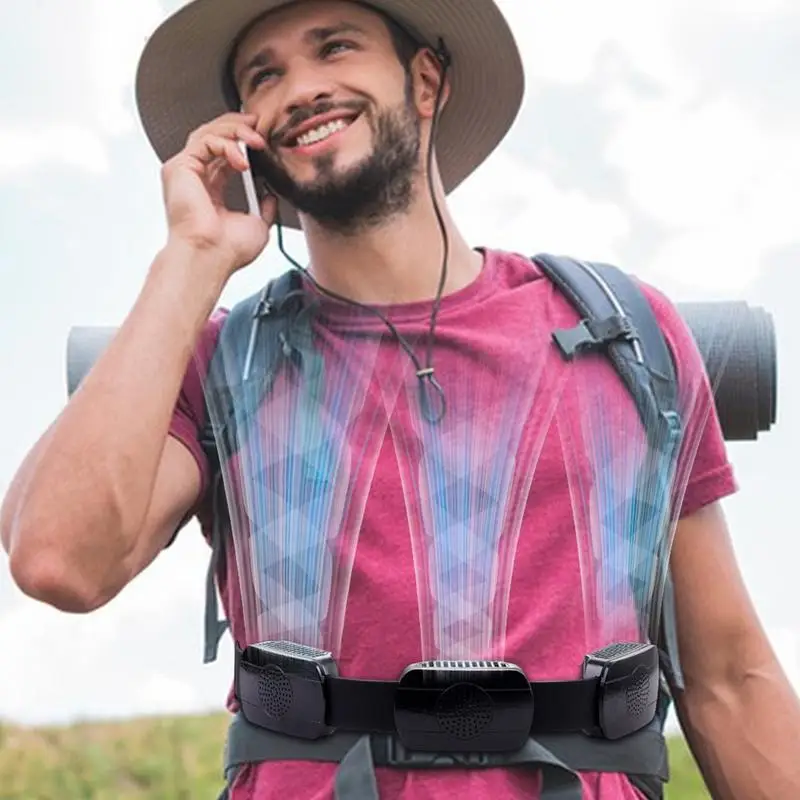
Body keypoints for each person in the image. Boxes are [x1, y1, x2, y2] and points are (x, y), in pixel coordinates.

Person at [3, 0, 800, 798]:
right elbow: (57, 562)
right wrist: (193, 257)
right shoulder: (222, 359)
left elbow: (729, 677)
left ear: (426, 81)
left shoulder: (626, 335)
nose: (301, 88)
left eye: (334, 48)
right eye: (265, 75)